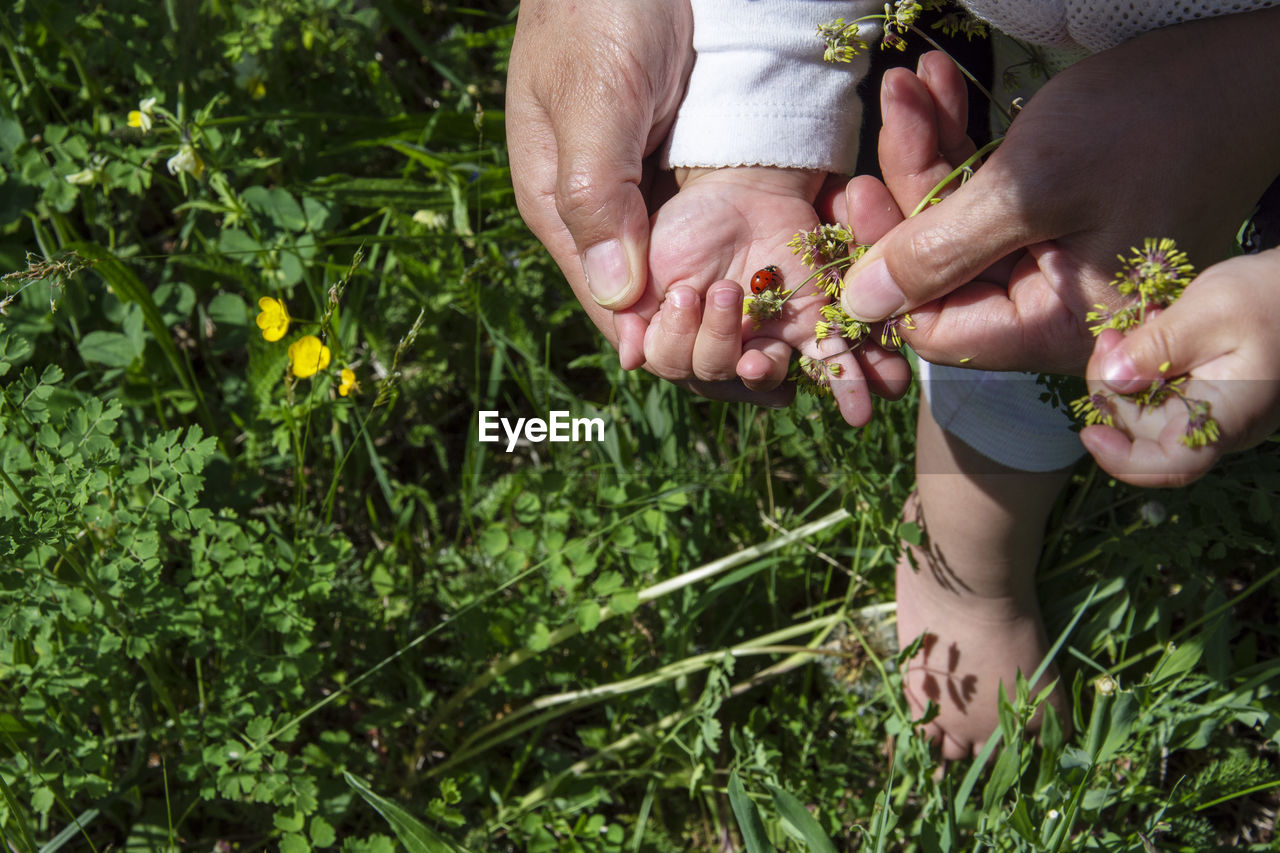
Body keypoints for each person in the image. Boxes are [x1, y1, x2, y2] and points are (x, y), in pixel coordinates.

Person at [507, 0, 1280, 759]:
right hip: (989, 64)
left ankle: (965, 572)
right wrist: (754, 154)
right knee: (991, 322)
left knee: (1050, 320)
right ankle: (958, 567)